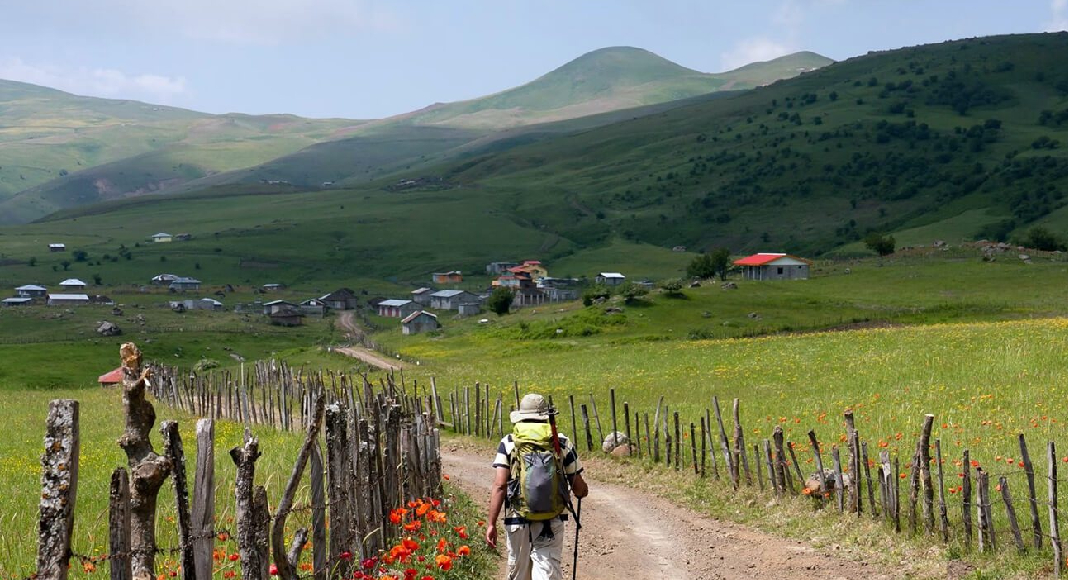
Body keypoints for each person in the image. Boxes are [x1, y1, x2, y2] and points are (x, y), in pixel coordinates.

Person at [486, 393, 589, 580]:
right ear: (546, 415)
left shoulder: (508, 442)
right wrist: (583, 491)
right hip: (552, 519)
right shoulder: (561, 442)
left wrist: (491, 524)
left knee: (518, 573)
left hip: (517, 518)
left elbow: (500, 485)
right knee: (546, 571)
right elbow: (578, 488)